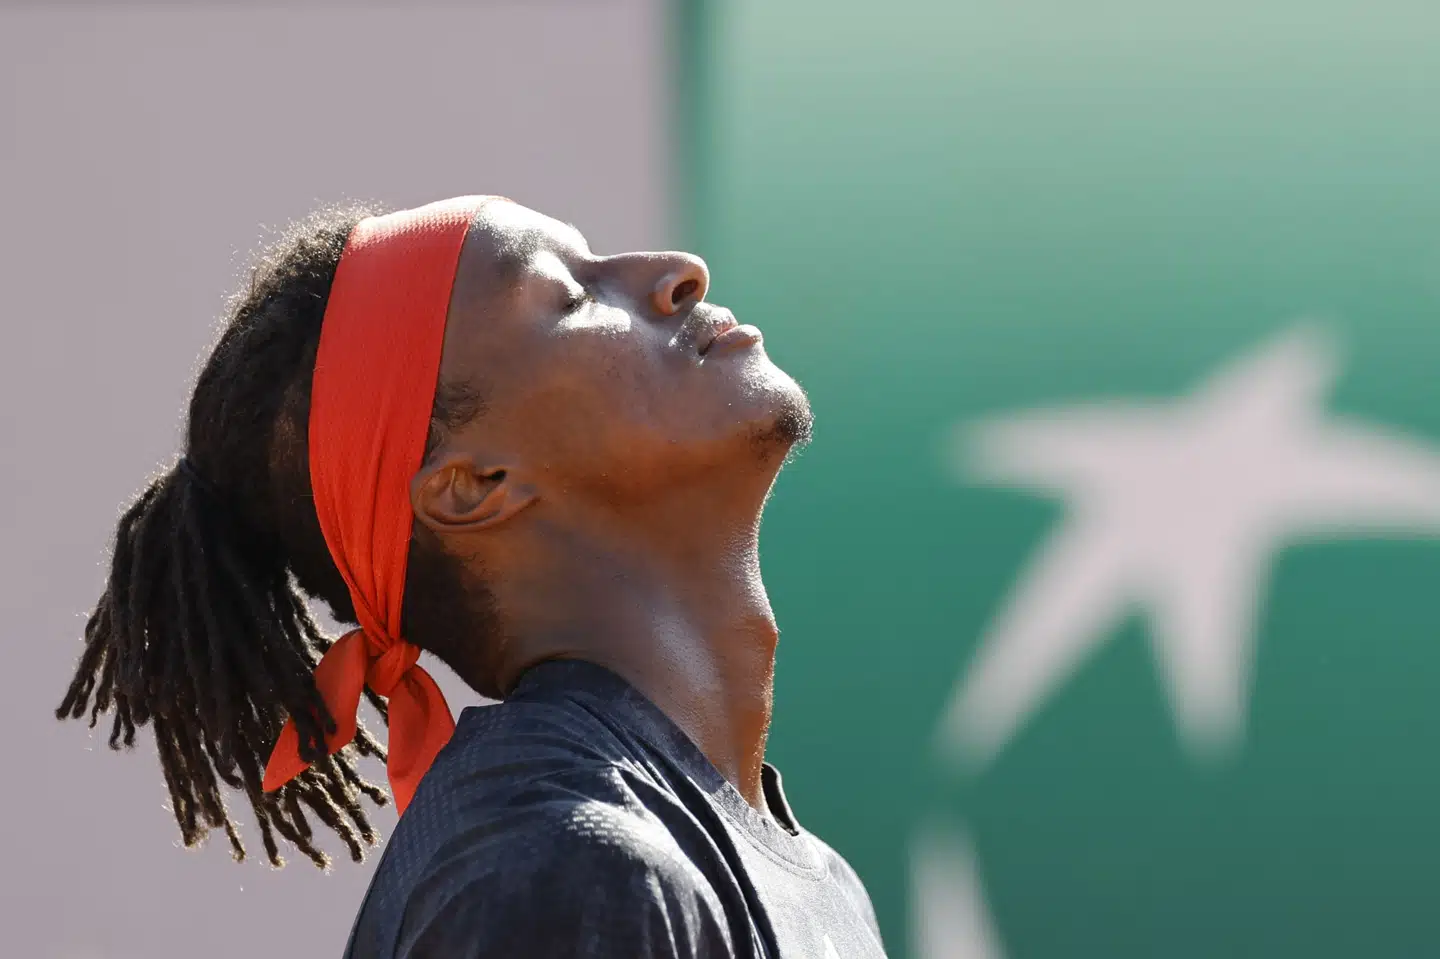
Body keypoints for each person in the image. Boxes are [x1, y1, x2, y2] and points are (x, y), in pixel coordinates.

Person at [57, 196, 886, 958]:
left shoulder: (820, 884)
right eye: (570, 298)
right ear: (474, 485)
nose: (674, 272)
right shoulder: (565, 867)